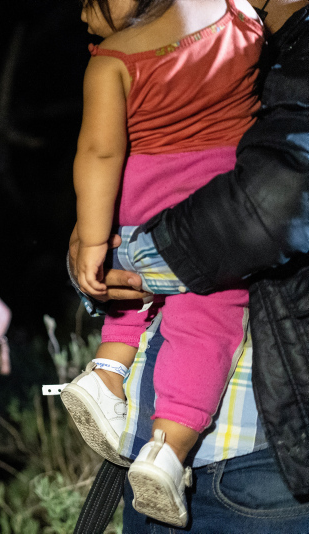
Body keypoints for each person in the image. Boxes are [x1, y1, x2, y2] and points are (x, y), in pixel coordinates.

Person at [69, 0, 309, 531]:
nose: (81, 16)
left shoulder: (111, 61)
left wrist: (95, 241)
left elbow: (100, 154)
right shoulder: (240, 24)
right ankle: (169, 445)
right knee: (206, 318)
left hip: (138, 188)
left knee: (139, 287)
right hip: (209, 185)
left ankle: (107, 372)